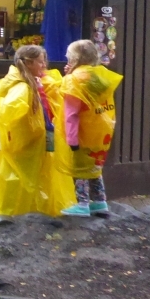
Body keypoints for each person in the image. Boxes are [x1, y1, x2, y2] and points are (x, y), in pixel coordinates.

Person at [0, 45, 75, 220]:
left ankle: (23, 214)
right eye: (41, 61)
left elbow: (53, 89)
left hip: (24, 145)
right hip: (22, 146)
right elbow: (11, 114)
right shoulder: (22, 88)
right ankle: (19, 217)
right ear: (30, 63)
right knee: (20, 182)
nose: (44, 65)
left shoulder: (29, 82)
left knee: (22, 182)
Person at [57, 39, 123, 217]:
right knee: (95, 167)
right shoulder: (100, 75)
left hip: (82, 133)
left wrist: (72, 139)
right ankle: (100, 202)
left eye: (68, 57)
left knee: (79, 170)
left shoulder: (73, 81)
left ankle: (82, 204)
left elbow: (72, 114)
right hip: (101, 132)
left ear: (75, 58)